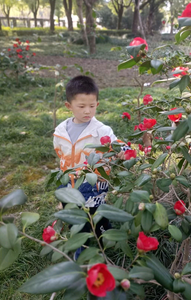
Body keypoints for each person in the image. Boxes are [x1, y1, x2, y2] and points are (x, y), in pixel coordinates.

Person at [53, 75, 128, 259]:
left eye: (92, 106)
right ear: (68, 106)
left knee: (93, 215)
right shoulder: (61, 131)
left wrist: (123, 151)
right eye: (81, 106)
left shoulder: (101, 131)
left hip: (93, 183)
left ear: (97, 104)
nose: (87, 111)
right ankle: (98, 234)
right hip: (69, 182)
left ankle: (86, 250)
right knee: (74, 215)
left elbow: (117, 144)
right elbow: (60, 153)